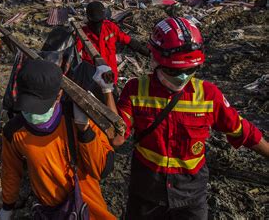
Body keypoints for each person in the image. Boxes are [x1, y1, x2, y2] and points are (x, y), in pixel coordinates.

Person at [114, 17, 269, 219]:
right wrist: (107, 90)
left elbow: (243, 131)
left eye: (190, 71)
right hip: (147, 195)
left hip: (190, 198)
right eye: (174, 71)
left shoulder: (208, 95)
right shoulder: (135, 90)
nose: (182, 77)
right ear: (155, 60)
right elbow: (117, 136)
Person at [0, 59, 116, 220]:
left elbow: (102, 169)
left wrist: (84, 131)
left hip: (87, 209)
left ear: (59, 95)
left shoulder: (78, 119)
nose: (32, 113)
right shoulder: (14, 132)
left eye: (39, 107)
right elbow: (11, 170)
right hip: (50, 211)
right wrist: (7, 206)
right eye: (27, 106)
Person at [75, 1, 149, 85]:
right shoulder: (82, 35)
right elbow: (74, 54)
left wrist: (146, 52)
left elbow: (128, 40)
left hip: (111, 77)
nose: (98, 25)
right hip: (93, 79)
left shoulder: (110, 27)